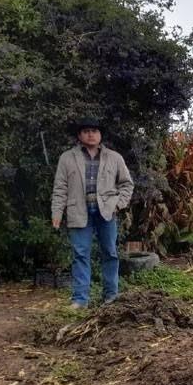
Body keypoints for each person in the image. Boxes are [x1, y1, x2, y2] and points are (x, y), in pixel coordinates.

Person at [51, 118, 134, 308]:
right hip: (79, 212)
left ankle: (111, 296)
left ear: (100, 135)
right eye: (87, 131)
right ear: (79, 135)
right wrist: (57, 212)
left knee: (110, 253)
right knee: (80, 254)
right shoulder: (67, 158)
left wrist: (118, 204)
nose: (91, 134)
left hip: (106, 212)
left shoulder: (114, 157)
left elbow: (127, 184)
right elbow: (60, 188)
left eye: (95, 131)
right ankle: (80, 299)